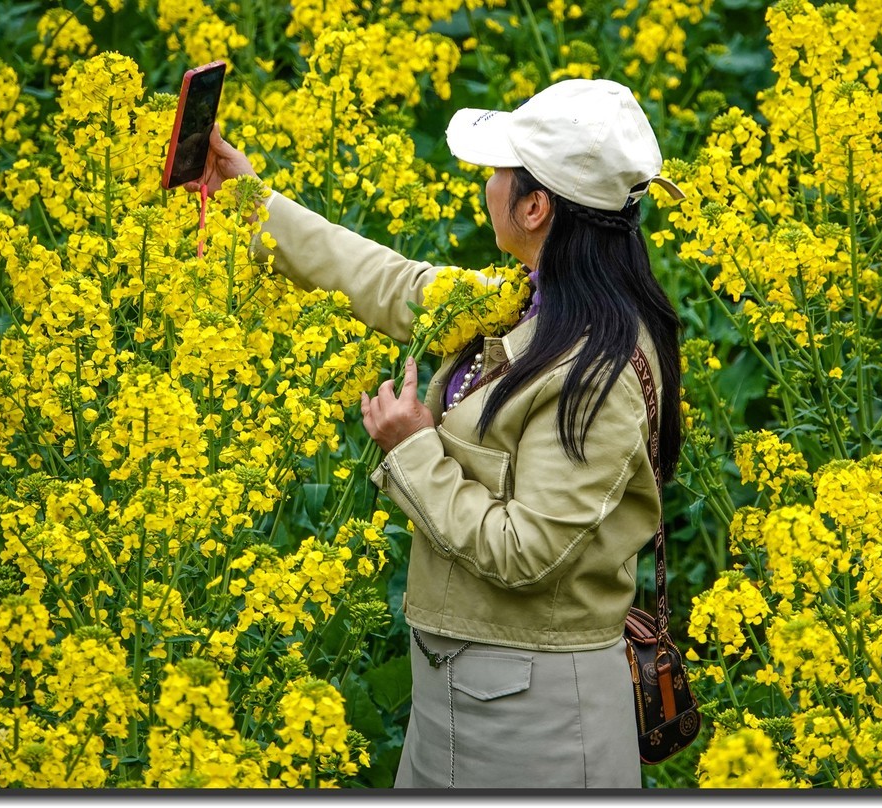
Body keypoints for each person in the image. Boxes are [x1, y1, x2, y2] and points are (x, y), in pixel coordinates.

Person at [186, 78, 685, 789]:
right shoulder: (525, 295)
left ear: (536, 206)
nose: (487, 185)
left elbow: (529, 551)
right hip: (456, 695)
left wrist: (413, 447)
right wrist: (252, 204)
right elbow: (391, 283)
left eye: (499, 172)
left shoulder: (594, 372)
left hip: (538, 725)